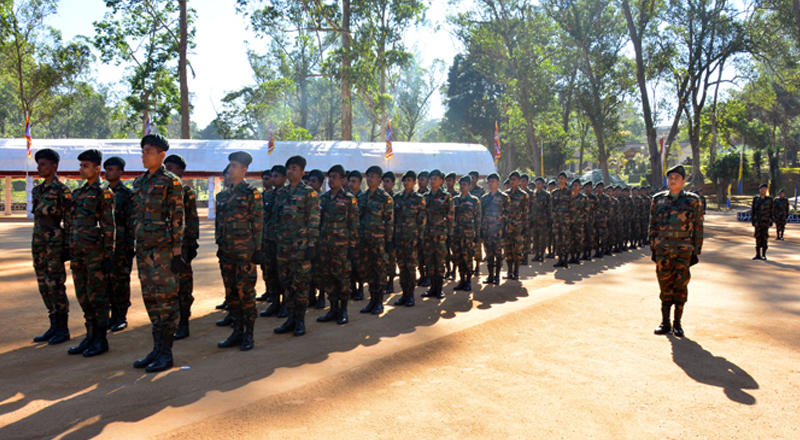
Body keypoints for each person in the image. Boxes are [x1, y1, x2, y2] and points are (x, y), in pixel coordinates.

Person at [129, 133, 186, 373]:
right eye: (142, 151)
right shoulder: (139, 182)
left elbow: (177, 218)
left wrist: (176, 253)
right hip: (143, 250)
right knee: (150, 300)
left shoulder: (171, 181)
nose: (144, 155)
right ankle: (156, 348)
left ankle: (166, 353)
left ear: (161, 155)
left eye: (148, 151)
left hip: (163, 253)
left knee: (166, 301)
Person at [67, 149, 115, 357]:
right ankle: (90, 335)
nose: (81, 169)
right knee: (83, 295)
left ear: (97, 169)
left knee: (98, 296)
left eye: (86, 166)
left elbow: (109, 226)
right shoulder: (78, 193)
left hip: (95, 253)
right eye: (80, 166)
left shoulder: (103, 193)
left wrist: (108, 256)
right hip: (78, 252)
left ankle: (101, 339)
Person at [215, 152, 263, 350]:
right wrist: (219, 244)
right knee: (231, 293)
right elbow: (219, 224)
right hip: (227, 253)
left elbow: (258, 223)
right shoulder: (223, 195)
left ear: (244, 169)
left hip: (245, 254)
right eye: (230, 165)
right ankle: (237, 331)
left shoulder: (252, 194)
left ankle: (249, 335)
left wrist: (258, 249)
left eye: (235, 166)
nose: (230, 169)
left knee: (246, 293)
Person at [649, 165, 703, 338]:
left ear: (683, 181)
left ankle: (677, 323)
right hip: (663, 249)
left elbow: (698, 226)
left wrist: (696, 250)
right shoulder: (658, 200)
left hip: (683, 249)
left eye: (677, 178)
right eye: (670, 178)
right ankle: (664, 322)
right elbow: (652, 225)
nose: (673, 181)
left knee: (680, 285)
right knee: (664, 284)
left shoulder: (692, 201)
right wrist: (653, 247)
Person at [273, 156, 320, 336]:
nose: (290, 171)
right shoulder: (281, 193)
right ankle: (290, 319)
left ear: (302, 172)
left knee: (300, 285)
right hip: (283, 248)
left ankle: (300, 321)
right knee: (287, 284)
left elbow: (314, 220)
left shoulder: (309, 193)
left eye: (294, 168)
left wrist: (312, 244)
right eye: (288, 168)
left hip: (300, 248)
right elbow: (276, 219)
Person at [31, 148, 72, 345]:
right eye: (38, 164)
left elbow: (69, 221)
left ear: (54, 166)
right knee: (43, 284)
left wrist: (67, 247)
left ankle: (63, 328)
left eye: (44, 164)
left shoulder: (62, 191)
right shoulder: (37, 190)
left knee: (55, 284)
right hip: (38, 243)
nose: (40, 167)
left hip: (54, 244)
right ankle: (53, 325)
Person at [164, 155, 200, 341]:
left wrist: (192, 243)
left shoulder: (186, 191)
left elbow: (192, 219)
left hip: (182, 246)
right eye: (166, 166)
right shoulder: (160, 190)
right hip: (162, 246)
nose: (167, 170)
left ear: (180, 172)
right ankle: (171, 321)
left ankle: (184, 322)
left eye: (171, 167)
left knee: (183, 285)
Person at [317, 165, 358, 324]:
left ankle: (343, 310)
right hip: (325, 245)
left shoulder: (349, 199)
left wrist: (353, 246)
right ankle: (333, 309)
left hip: (342, 246)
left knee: (342, 278)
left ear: (342, 180)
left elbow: (354, 224)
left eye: (335, 177)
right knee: (328, 278)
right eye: (330, 177)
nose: (331, 180)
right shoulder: (323, 199)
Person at [354, 165, 394, 313]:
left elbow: (389, 221)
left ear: (379, 179)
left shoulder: (385, 198)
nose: (370, 179)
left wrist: (389, 241)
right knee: (367, 270)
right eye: (368, 176)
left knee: (380, 270)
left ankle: (379, 302)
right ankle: (371, 300)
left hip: (379, 241)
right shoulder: (361, 197)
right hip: (364, 241)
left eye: (373, 176)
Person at [103, 157, 135, 333]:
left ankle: (121, 316)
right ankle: (112, 315)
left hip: (122, 245)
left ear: (120, 172)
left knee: (120, 281)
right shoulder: (101, 192)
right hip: (105, 244)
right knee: (107, 281)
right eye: (106, 169)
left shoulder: (125, 194)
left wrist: (130, 247)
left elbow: (130, 221)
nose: (107, 172)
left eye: (111, 169)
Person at [393, 171, 426, 306]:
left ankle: (411, 295)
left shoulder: (419, 199)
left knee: (411, 266)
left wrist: (421, 239)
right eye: (405, 180)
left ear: (414, 182)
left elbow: (422, 219)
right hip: (400, 237)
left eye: (409, 180)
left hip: (412, 238)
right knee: (401, 267)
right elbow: (393, 219)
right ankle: (404, 294)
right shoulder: (397, 198)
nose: (406, 183)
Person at [421, 169, 453, 299]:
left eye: (436, 178)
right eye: (431, 178)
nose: (433, 181)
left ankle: (439, 289)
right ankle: (432, 288)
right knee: (429, 261)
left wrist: (449, 235)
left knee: (439, 262)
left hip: (440, 235)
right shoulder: (425, 197)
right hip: (428, 234)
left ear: (441, 181)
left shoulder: (446, 197)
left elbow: (450, 216)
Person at [261, 165, 288, 318]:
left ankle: (285, 304)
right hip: (268, 240)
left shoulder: (288, 195)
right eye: (272, 176)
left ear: (284, 179)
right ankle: (275, 302)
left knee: (283, 274)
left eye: (277, 176)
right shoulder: (268, 195)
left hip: (282, 242)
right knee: (270, 272)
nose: (273, 179)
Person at [452, 176, 481, 291]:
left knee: (468, 257)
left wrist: (477, 234)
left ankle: (468, 280)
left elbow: (478, 218)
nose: (462, 186)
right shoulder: (455, 200)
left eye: (464, 184)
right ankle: (462, 280)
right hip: (457, 233)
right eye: (461, 184)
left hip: (468, 233)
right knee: (458, 257)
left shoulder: (474, 200)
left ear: (469, 186)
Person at [480, 173, 509, 285]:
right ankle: (490, 275)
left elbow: (507, 215)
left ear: (498, 183)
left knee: (498, 254)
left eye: (493, 181)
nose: (490, 183)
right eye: (489, 181)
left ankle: (497, 276)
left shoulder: (504, 197)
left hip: (498, 231)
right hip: (487, 231)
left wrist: (505, 230)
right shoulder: (484, 198)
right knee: (489, 254)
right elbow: (481, 214)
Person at [307, 169, 326, 309]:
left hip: (321, 240)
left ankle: (321, 297)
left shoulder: (324, 199)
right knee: (309, 270)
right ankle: (311, 296)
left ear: (320, 183)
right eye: (309, 181)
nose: (311, 184)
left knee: (321, 270)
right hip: (307, 240)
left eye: (314, 181)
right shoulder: (305, 198)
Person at [504, 171, 528, 279]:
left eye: (514, 179)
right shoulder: (505, 194)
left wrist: (525, 227)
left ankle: (516, 272)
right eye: (511, 179)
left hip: (518, 227)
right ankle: (509, 271)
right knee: (508, 249)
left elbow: (525, 212)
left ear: (519, 181)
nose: (512, 181)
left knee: (517, 249)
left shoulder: (523, 195)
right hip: (507, 226)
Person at [347, 170, 365, 300]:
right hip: (347, 237)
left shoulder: (363, 198)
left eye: (354, 181)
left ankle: (360, 290)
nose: (351, 184)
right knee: (349, 265)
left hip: (360, 236)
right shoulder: (346, 197)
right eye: (350, 181)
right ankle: (352, 288)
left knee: (359, 265)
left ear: (360, 183)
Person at [257, 170, 274, 302]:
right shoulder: (259, 196)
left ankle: (273, 293)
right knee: (265, 266)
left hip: (272, 236)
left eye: (267, 179)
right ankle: (268, 290)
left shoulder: (275, 196)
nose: (265, 181)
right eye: (263, 179)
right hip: (263, 236)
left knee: (273, 267)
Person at [551, 172, 573, 268]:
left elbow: (572, 207)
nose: (560, 180)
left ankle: (565, 259)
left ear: (566, 180)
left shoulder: (569, 192)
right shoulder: (554, 192)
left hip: (566, 220)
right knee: (558, 240)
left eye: (562, 178)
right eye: (559, 178)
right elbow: (552, 206)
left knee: (566, 240)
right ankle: (559, 259)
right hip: (557, 221)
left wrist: (571, 219)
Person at [382, 171, 399, 292]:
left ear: (393, 183)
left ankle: (390, 282)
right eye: (384, 181)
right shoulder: (380, 197)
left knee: (391, 259)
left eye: (388, 181)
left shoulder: (397, 198)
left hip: (393, 233)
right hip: (380, 233)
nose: (385, 184)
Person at [468, 170, 485, 276]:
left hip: (477, 221)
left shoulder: (481, 192)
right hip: (467, 223)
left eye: (473, 177)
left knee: (477, 245)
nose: (472, 179)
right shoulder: (465, 190)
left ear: (477, 179)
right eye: (470, 177)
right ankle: (469, 267)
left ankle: (478, 266)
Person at [416, 170, 431, 287]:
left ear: (428, 181)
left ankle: (428, 277)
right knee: (419, 256)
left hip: (428, 230)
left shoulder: (429, 195)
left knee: (427, 256)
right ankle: (422, 276)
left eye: (423, 179)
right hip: (417, 231)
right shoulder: (416, 195)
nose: (421, 182)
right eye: (419, 180)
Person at [530, 177, 551, 262]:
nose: (537, 185)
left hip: (543, 220)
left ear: (543, 184)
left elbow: (549, 208)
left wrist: (549, 220)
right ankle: (536, 254)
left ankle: (542, 254)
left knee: (542, 238)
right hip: (535, 220)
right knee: (535, 238)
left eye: (539, 183)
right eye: (536, 184)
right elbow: (531, 207)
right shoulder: (533, 195)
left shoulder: (547, 195)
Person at [751, 183, 773, 260]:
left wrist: (771, 220)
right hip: (757, 221)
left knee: (764, 237)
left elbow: (771, 210)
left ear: (766, 190)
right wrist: (753, 220)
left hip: (765, 221)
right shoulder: (756, 199)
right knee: (757, 237)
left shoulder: (769, 199)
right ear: (759, 190)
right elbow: (753, 210)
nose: (763, 190)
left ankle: (764, 255)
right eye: (761, 188)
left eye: (764, 188)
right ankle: (758, 254)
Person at [568, 179, 587, 265]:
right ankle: (572, 257)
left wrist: (585, 221)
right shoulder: (569, 197)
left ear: (580, 186)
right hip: (570, 222)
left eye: (576, 185)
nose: (574, 187)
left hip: (579, 222)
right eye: (573, 185)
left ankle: (577, 257)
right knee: (571, 240)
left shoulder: (584, 198)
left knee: (579, 240)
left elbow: (587, 210)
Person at [444, 172, 459, 280]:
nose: (448, 182)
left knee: (454, 251)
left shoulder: (457, 196)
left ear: (455, 181)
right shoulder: (443, 195)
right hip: (444, 228)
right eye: (447, 180)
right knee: (445, 251)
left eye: (450, 180)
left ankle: (454, 271)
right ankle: (448, 270)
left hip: (455, 228)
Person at [594, 182, 610, 258]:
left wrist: (606, 217)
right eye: (598, 187)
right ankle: (597, 251)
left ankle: (602, 251)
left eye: (600, 187)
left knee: (603, 236)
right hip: (595, 220)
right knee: (596, 236)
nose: (599, 189)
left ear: (603, 188)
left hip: (603, 220)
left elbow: (609, 209)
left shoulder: (606, 198)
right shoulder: (594, 198)